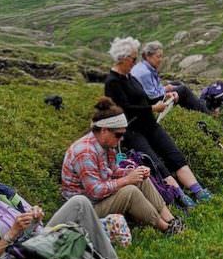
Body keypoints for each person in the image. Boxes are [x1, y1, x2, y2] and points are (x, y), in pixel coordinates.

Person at [0, 150, 121, 259]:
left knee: (80, 202)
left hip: (37, 238)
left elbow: (33, 218)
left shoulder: (2, 192)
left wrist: (36, 216)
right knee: (70, 235)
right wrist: (12, 233)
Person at [104, 36, 213, 207]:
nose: (135, 62)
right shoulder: (112, 82)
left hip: (149, 124)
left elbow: (143, 98)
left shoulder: (129, 77)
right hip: (132, 130)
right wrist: (153, 109)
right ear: (123, 58)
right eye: (133, 58)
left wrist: (162, 98)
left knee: (173, 154)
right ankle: (178, 196)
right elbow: (124, 108)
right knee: (154, 162)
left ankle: (198, 190)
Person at [62, 97, 185, 236]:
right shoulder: (85, 152)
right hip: (86, 209)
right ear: (104, 130)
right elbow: (95, 191)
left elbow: (113, 171)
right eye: (118, 134)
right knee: (130, 191)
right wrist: (127, 180)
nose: (121, 139)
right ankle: (166, 228)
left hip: (98, 199)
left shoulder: (106, 145)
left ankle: (171, 219)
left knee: (140, 178)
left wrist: (132, 172)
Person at [131, 41, 208, 113]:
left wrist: (166, 88)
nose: (161, 60)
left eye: (161, 56)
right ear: (148, 56)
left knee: (177, 83)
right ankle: (206, 112)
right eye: (158, 56)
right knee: (183, 90)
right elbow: (153, 97)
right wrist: (166, 92)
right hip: (152, 102)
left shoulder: (144, 66)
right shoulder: (145, 73)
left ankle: (200, 104)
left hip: (150, 97)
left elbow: (154, 88)